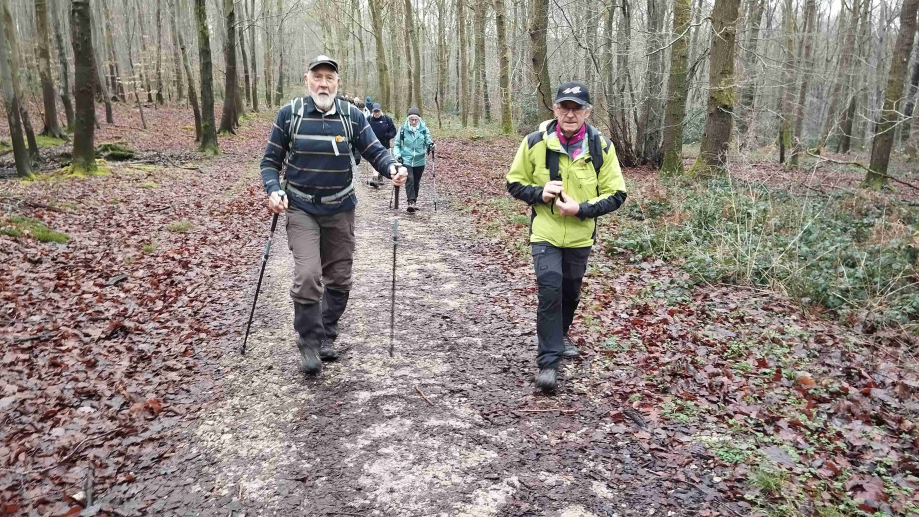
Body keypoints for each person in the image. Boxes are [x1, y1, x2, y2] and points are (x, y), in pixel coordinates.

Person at [260, 55, 408, 376]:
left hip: (341, 208)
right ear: (307, 80)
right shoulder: (290, 116)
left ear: (337, 82)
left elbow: (374, 151)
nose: (323, 83)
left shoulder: (352, 117)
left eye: (329, 77)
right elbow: (270, 162)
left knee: (339, 279)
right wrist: (273, 190)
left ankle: (326, 331)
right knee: (308, 275)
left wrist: (392, 167)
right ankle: (310, 341)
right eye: (318, 77)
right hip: (301, 207)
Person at [505, 82, 627, 392]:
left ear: (587, 112)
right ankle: (548, 362)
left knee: (570, 292)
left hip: (580, 237)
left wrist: (581, 208)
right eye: (564, 107)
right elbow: (514, 183)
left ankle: (559, 335)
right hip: (544, 232)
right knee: (550, 289)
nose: (570, 114)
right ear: (555, 109)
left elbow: (617, 194)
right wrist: (539, 192)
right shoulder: (534, 143)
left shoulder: (602, 147)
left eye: (577, 108)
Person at [393, 107, 434, 213]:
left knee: (416, 181)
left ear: (419, 119)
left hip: (420, 160)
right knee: (409, 179)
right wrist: (397, 155)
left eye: (416, 119)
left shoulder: (424, 130)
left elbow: (428, 141)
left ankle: (414, 200)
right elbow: (397, 145)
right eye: (412, 119)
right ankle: (410, 201)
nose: (414, 122)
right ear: (408, 119)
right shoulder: (402, 130)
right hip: (406, 159)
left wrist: (431, 145)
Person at [367, 103, 397, 188]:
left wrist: (388, 136)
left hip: (384, 144)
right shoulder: (368, 119)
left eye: (378, 111)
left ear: (380, 111)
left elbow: (393, 131)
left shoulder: (387, 119)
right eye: (375, 111)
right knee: (374, 160)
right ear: (372, 111)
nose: (376, 113)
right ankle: (375, 177)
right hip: (372, 144)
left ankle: (380, 176)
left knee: (382, 160)